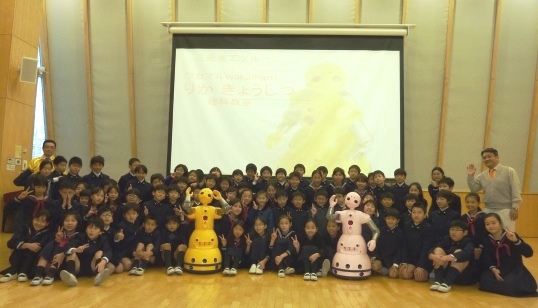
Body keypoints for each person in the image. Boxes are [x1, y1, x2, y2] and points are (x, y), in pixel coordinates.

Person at [479, 213, 537, 297]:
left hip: (515, 269)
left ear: (500, 223)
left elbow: (529, 253)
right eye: (487, 224)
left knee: (512, 283)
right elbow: (488, 258)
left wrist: (515, 241)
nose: (491, 226)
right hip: (500, 269)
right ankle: (505, 288)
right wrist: (494, 269)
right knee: (484, 279)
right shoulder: (487, 240)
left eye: (493, 223)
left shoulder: (511, 235)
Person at [467, 148, 522, 232]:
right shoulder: (482, 175)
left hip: (505, 210)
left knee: (507, 234)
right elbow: (474, 190)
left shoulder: (509, 171)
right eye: (484, 158)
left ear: (497, 157)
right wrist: (470, 176)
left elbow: (516, 190)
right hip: (488, 209)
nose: (486, 159)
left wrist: (515, 207)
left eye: (489, 156)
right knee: (487, 234)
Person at [0, 210, 52, 283]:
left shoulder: (48, 233)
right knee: (20, 246)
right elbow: (10, 243)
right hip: (19, 258)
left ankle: (23, 272)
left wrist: (28, 245)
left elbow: (39, 246)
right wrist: (26, 245)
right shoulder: (25, 228)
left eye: (43, 222)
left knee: (32, 247)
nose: (39, 223)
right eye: (37, 220)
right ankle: (13, 272)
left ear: (47, 224)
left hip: (33, 262)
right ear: (33, 219)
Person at [59, 217, 112, 287]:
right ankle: (72, 276)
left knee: (99, 252)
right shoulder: (80, 237)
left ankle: (98, 275)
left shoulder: (103, 239)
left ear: (101, 232)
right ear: (86, 229)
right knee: (71, 252)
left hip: (93, 267)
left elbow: (108, 251)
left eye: (95, 229)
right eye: (90, 228)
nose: (91, 231)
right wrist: (75, 249)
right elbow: (68, 246)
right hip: (78, 267)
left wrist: (103, 261)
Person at [31, 212, 80, 286]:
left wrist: (63, 254)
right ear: (63, 223)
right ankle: (38, 274)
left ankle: (71, 276)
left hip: (71, 266)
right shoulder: (57, 233)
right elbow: (48, 250)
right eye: (66, 220)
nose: (69, 223)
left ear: (77, 223)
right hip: (53, 265)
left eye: (73, 221)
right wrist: (57, 240)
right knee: (51, 245)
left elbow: (71, 246)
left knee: (71, 251)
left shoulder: (80, 236)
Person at [428, 220, 476, 293]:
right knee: (438, 250)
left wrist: (448, 257)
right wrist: (432, 256)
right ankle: (438, 281)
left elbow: (467, 253)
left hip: (464, 275)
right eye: (452, 229)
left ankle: (447, 283)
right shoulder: (447, 239)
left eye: (457, 230)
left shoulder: (468, 241)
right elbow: (433, 248)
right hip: (447, 272)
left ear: (465, 232)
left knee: (458, 253)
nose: (453, 232)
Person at [400, 203, 435, 282]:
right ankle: (413, 271)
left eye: (419, 212)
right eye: (414, 212)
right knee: (405, 274)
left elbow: (426, 248)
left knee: (420, 278)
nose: (416, 215)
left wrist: (421, 266)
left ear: (424, 214)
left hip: (424, 259)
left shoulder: (428, 228)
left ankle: (421, 272)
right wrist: (405, 261)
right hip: (411, 259)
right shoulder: (407, 225)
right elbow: (404, 244)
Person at [371, 208, 403, 278]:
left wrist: (395, 264)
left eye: (393, 219)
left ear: (398, 221)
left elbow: (399, 251)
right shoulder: (380, 231)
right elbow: (376, 245)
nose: (390, 221)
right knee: (374, 266)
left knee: (393, 275)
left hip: (392, 260)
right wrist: (374, 256)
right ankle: (385, 270)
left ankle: (388, 270)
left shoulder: (400, 233)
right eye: (388, 218)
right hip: (381, 258)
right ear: (385, 219)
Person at [460, 193, 486, 264]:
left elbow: (486, 233)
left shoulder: (484, 217)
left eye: (473, 202)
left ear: (479, 203)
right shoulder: (463, 217)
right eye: (467, 202)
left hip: (482, 246)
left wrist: (480, 247)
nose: (470, 204)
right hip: (467, 246)